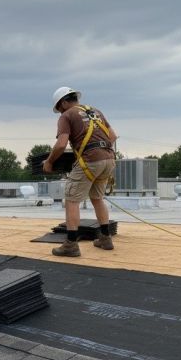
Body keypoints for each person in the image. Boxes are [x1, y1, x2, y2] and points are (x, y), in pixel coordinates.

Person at [43, 87, 117, 257]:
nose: (59, 112)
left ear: (63, 103)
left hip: (90, 161)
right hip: (109, 159)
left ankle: (71, 245)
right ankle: (105, 239)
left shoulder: (66, 116)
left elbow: (61, 145)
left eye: (59, 108)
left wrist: (49, 162)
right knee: (97, 198)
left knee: (71, 200)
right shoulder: (95, 111)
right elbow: (112, 136)